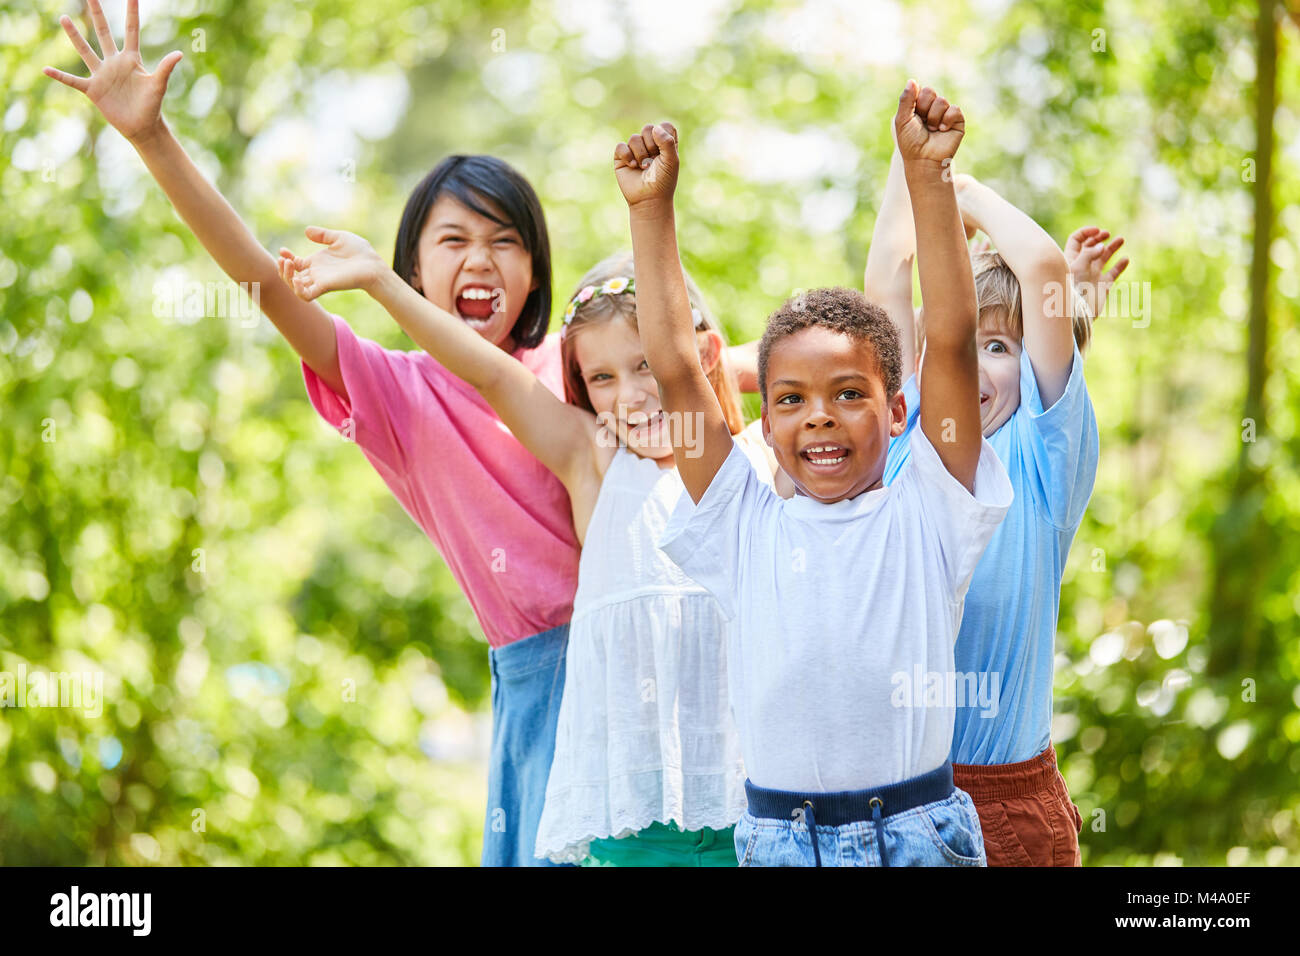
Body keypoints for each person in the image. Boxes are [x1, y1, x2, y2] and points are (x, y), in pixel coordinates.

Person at [278, 236, 776, 865]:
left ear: (698, 354)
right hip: (634, 830)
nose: (627, 394)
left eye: (646, 363)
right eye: (601, 377)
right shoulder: (594, 459)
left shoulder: (760, 459)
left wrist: (714, 365)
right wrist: (381, 281)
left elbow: (855, 349)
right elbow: (486, 370)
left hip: (756, 810)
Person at [623, 80, 1013, 866]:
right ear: (764, 422)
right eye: (792, 400)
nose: (820, 417)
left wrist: (927, 179)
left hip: (916, 835)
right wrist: (649, 212)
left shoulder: (931, 511)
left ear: (898, 412)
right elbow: (673, 367)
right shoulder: (743, 525)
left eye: (848, 395)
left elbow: (954, 334)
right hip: (779, 840)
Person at [866, 126, 1104, 866]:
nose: (970, 360)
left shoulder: (1041, 458)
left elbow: (1040, 269)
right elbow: (885, 277)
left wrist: (954, 190)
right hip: (892, 798)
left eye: (997, 346)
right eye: (955, 340)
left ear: (1030, 368)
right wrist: (911, 165)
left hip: (1003, 803)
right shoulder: (906, 437)